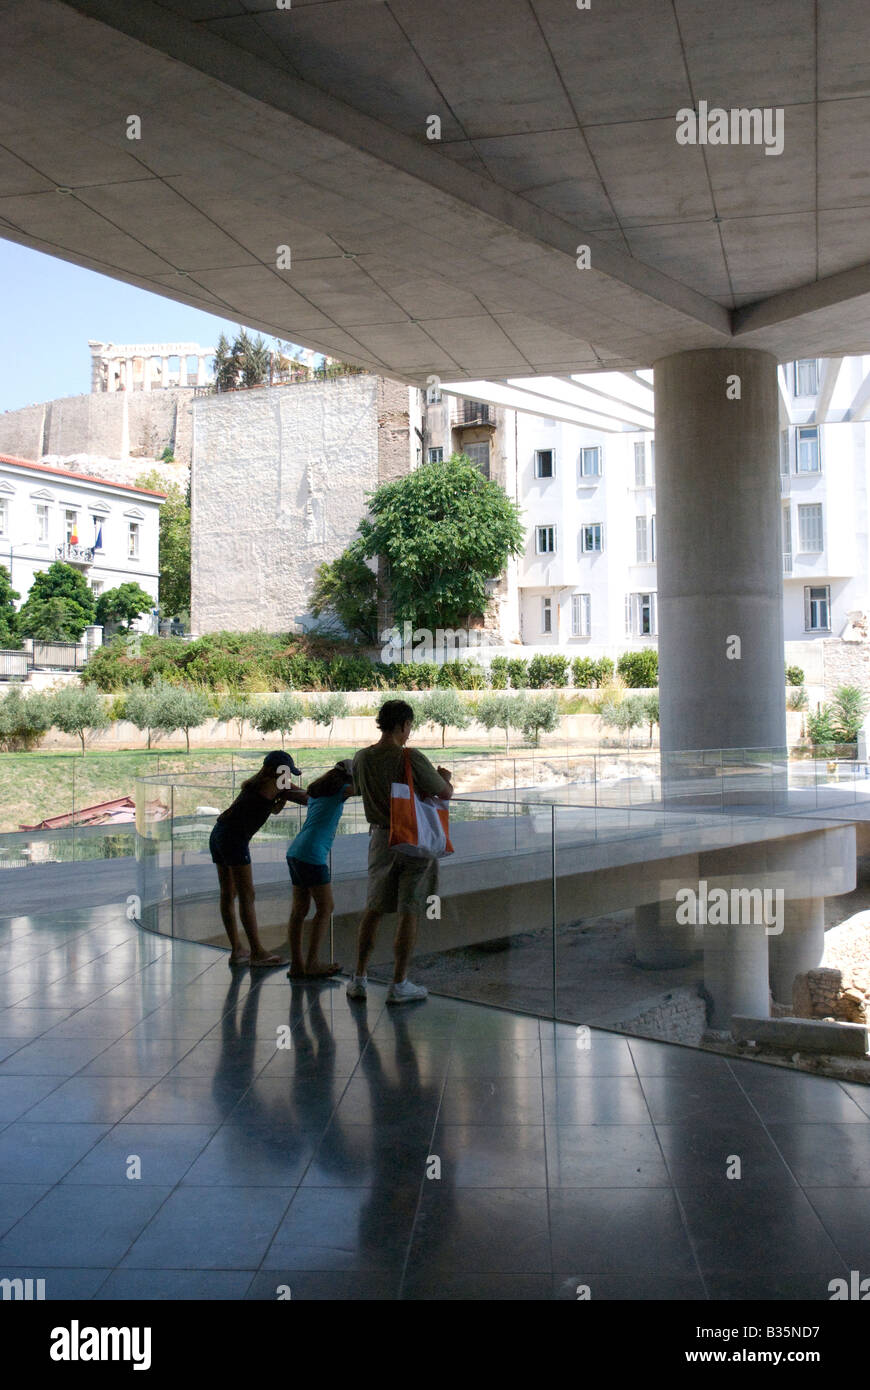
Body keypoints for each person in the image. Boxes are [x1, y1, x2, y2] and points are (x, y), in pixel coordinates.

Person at [347, 699, 453, 1004]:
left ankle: (359, 979)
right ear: (403, 725)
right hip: (412, 839)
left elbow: (357, 789)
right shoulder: (409, 757)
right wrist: (444, 777)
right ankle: (399, 982)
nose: (409, 733)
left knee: (374, 909)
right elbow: (443, 792)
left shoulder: (362, 758)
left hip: (380, 839)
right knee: (410, 911)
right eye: (409, 727)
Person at [209, 750, 308, 967]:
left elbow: (274, 807)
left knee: (228, 894)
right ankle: (257, 952)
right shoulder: (275, 784)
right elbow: (307, 799)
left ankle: (237, 950)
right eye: (286, 772)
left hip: (219, 833)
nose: (288, 777)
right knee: (247, 895)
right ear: (275, 771)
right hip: (234, 838)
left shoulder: (255, 784)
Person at [286, 759, 355, 980]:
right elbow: (365, 789)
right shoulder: (342, 790)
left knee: (299, 911)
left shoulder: (316, 793)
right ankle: (313, 962)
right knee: (325, 908)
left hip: (296, 851)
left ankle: (297, 965)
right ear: (348, 779)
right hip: (313, 854)